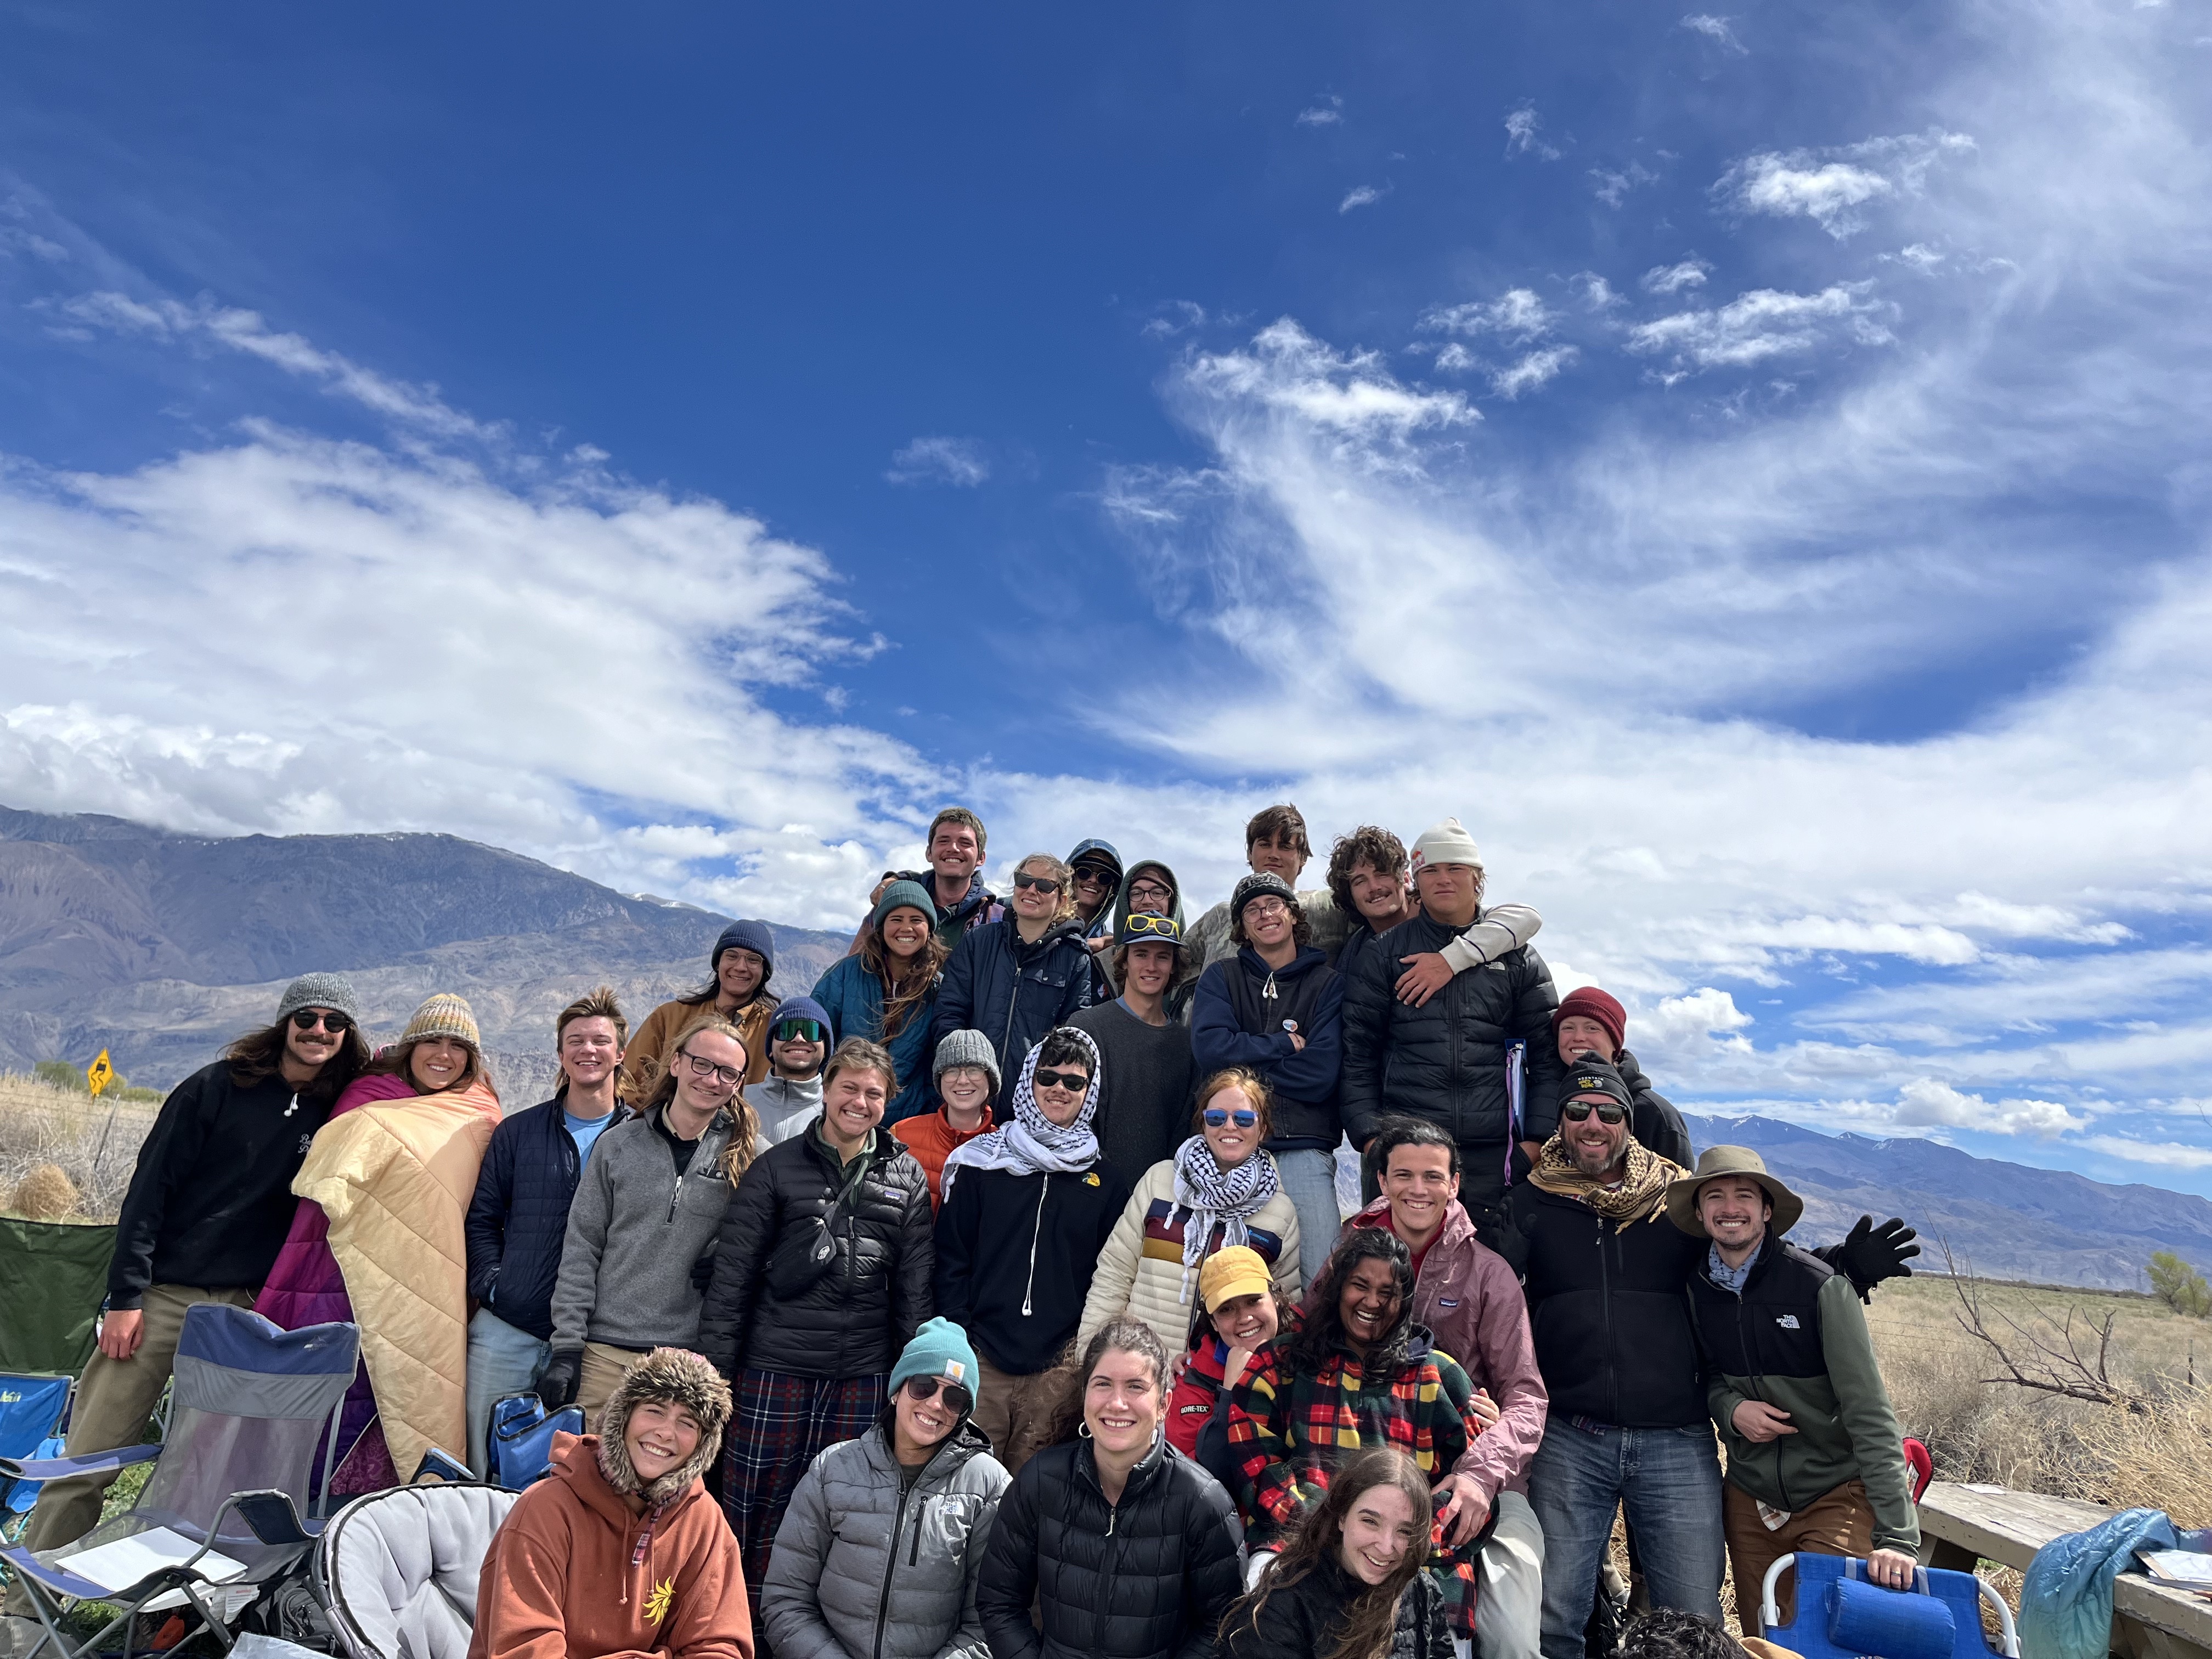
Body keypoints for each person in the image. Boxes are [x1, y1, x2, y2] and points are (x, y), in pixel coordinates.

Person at [1497, 1059, 1918, 1659]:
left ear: (1628, 1121)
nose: (1594, 1122)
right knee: (1555, 1614)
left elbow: (1753, 1255)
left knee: (1695, 1618)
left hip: (1675, 1439)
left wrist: (1840, 1266)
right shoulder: (1531, 1205)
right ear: (1560, 1122)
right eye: (1578, 1111)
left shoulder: (1671, 1209)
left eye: (1609, 1111)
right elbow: (1489, 1289)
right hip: (1573, 1436)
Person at [4, 974, 367, 1587]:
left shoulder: (341, 1110)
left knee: (222, 1472)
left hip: (251, 1313)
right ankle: (31, 1606)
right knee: (88, 1459)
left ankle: (181, 1608)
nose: (320, 1032)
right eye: (309, 1018)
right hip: (163, 1300)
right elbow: (148, 1195)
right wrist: (126, 1298)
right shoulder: (214, 1089)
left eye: (336, 1024)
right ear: (285, 1023)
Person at [698, 1037, 936, 1624]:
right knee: (752, 1506)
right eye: (849, 1088)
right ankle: (737, 1625)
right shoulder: (775, 1169)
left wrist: (910, 1387)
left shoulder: (905, 1177)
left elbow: (913, 1292)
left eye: (873, 1093)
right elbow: (732, 1283)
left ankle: (811, 1630)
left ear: (889, 1102)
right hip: (774, 1369)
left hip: (861, 1375)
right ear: (826, 1090)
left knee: (839, 1514)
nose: (860, 1101)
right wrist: (715, 1384)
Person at [257, 992, 503, 1491]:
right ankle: (302, 1510)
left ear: (471, 1058)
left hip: (433, 1280)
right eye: (431, 1040)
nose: (443, 1055)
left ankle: (382, 1519)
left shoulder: (481, 1111)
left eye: (457, 1046)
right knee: (342, 1392)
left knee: (407, 1394)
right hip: (349, 1271)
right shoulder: (369, 1097)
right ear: (409, 1047)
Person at [1667, 1148, 1920, 1630]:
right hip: (1749, 1496)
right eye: (1715, 1196)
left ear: (1767, 1211)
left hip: (1835, 1493)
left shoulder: (1820, 1288)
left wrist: (1898, 1537)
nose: (1730, 1207)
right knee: (1762, 1633)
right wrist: (1732, 1409)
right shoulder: (1696, 1289)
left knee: (1822, 1633)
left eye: (1745, 1195)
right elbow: (1709, 1376)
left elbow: (1869, 1412)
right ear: (1700, 1213)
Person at [1336, 1120, 1548, 1659]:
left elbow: (1527, 1398)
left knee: (1512, 1640)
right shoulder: (1347, 1259)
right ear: (1381, 1180)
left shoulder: (1489, 1276)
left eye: (1433, 1176)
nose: (1418, 1189)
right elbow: (1311, 1343)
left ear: (1455, 1183)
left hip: (1477, 1474)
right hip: (1365, 1462)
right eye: (1403, 1174)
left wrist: (1481, 1474)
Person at [1224, 1230, 1489, 1641]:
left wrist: (1401, 1543)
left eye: (1388, 1292)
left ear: (1405, 1303)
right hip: (1297, 1549)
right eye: (1360, 1286)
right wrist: (1334, 1538)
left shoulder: (1439, 1376)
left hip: (1413, 1562)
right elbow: (1258, 1471)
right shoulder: (1279, 1364)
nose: (1372, 1302)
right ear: (1337, 1288)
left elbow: (1472, 1493)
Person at [1340, 819, 1564, 1244]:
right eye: (1430, 871)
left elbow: (1546, 1055)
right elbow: (1357, 1054)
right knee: (1396, 1283)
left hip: (1497, 1155)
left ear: (1478, 879)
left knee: (1491, 1283)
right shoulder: (1385, 954)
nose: (1443, 879)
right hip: (1405, 1152)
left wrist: (1533, 1143)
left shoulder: (1518, 959)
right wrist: (1371, 1140)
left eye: (1455, 868)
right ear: (1415, 882)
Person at [975, 1319, 1245, 1659]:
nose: (1117, 1403)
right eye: (1103, 1384)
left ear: (1164, 1404)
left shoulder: (1204, 1503)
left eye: (1135, 1387)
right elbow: (999, 1601)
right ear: (1085, 1393)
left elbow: (1222, 1627)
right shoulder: (1041, 1481)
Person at [468, 1346, 749, 1659]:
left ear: (702, 1445)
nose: (666, 1433)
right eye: (654, 1410)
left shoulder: (704, 1521)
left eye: (688, 1423)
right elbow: (522, 1649)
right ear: (623, 1417)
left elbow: (719, 1646)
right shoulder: (546, 1509)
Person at [542, 1013, 759, 1419]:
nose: (712, 1080)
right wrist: (567, 1348)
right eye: (702, 1064)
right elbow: (581, 1247)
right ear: (676, 1063)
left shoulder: (748, 1156)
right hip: (605, 1351)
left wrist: (733, 1258)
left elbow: (771, 1240)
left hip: (689, 1360)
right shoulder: (618, 1146)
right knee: (585, 1475)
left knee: (666, 1479)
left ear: (738, 1085)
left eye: (727, 1073)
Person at [934, 1029, 1130, 1474]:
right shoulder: (981, 1163)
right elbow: (950, 1258)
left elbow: (1111, 1275)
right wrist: (961, 1339)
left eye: (1075, 1082)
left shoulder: (1107, 1183)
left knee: (1033, 1496)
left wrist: (1079, 1356)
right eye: (1048, 1076)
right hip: (982, 1359)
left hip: (1057, 1373)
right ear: (1029, 1081)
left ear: (1090, 1091)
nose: (1060, 1088)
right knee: (963, 1486)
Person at [760, 1319, 1011, 1659]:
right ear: (896, 1391)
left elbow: (988, 1621)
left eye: (955, 1397)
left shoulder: (990, 1487)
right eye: (923, 1386)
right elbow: (785, 1598)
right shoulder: (831, 1469)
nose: (937, 1404)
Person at [464, 986, 633, 1476]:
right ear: (560, 1054)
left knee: (575, 1472)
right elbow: (483, 1219)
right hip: (509, 1329)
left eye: (600, 1041)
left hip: (595, 1344)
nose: (588, 1050)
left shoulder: (639, 1138)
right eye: (575, 1040)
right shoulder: (517, 1133)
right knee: (484, 1462)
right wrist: (496, 1284)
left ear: (620, 1052)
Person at [1079, 1068, 1302, 1358]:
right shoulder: (1160, 1181)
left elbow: (1284, 1308)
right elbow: (1115, 1275)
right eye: (1217, 1118)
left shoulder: (1279, 1211)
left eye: (1244, 1118)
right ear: (1203, 1124)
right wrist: (1090, 1357)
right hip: (1141, 1371)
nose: (1230, 1127)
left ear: (1262, 1130)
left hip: (1219, 1381)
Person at [1191, 873, 1345, 1289]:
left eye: (1273, 905)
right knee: (1231, 1282)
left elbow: (1320, 1075)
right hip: (1229, 1152)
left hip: (1303, 1149)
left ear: (1293, 914)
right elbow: (1210, 1052)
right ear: (1242, 928)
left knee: (1321, 1281)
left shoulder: (1327, 984)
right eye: (1252, 910)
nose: (1265, 915)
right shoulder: (1222, 978)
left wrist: (1240, 1073)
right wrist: (1281, 1044)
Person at [1218, 1448, 1452, 1659]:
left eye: (1404, 1531)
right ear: (1341, 1516)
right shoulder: (1281, 1606)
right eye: (1370, 1521)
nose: (1386, 1546)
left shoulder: (1422, 1590)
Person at [930, 852, 1095, 1115]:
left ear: (1062, 899)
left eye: (1044, 886)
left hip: (1032, 1109)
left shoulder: (1075, 958)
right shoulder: (978, 943)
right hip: (968, 1102)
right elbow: (949, 1013)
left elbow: (1071, 1039)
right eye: (1023, 881)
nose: (1031, 890)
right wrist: (963, 1072)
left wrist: (1044, 1089)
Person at [1324, 826, 1542, 1007]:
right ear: (1350, 894)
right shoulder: (1358, 953)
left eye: (1383, 874)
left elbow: (1526, 918)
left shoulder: (1451, 917)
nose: (1374, 887)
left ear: (1407, 877)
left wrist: (1450, 959)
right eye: (1360, 881)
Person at [1070, 911, 1196, 1187]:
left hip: (1159, 1198)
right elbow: (1072, 1122)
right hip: (1091, 1192)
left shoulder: (1186, 1045)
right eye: (1141, 954)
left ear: (1174, 966)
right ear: (1123, 960)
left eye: (1163, 956)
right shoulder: (1086, 1027)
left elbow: (1184, 1132)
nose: (1151, 966)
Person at [815, 881, 947, 1125]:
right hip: (846, 1114)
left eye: (916, 919)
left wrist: (925, 1109)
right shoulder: (846, 974)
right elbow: (818, 1039)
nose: (906, 928)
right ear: (881, 926)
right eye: (896, 919)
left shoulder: (939, 988)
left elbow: (939, 1058)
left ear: (929, 928)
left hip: (907, 1122)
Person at [625, 919, 780, 1103]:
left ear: (765, 971)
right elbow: (629, 1081)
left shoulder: (775, 1031)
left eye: (753, 959)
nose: (740, 967)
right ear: (718, 964)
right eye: (732, 956)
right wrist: (662, 1121)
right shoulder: (669, 1017)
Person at [1185, 805, 1348, 972]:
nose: (1273, 854)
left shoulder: (1330, 906)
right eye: (1265, 844)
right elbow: (1168, 961)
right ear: (1250, 853)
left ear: (1303, 857)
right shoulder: (1219, 916)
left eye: (1285, 847)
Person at [1166, 1246, 1287, 1461]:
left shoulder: (1313, 1349)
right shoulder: (1191, 1380)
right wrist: (1229, 1393)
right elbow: (1193, 1472)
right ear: (1213, 1322)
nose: (1244, 1318)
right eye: (1226, 1309)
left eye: (1253, 1300)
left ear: (1275, 1297)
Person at [1551, 986, 1693, 1168]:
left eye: (1592, 1028)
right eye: (1568, 1028)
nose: (1578, 1037)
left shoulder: (1656, 1114)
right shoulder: (1540, 1099)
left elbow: (1680, 1189)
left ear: (1614, 1043)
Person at [856, 806, 1004, 952]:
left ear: (981, 858)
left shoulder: (998, 920)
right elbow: (852, 969)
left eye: (965, 843)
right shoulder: (890, 903)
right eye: (943, 841)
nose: (953, 848)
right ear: (929, 853)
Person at [894, 1029, 1000, 1207]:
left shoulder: (1005, 1149)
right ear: (939, 1079)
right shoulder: (901, 1136)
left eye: (974, 1070)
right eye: (951, 1071)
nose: (963, 1080)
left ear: (991, 1080)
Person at [1102, 857, 1205, 1020]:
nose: (1147, 901)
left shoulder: (1197, 968)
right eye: (1136, 893)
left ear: (1172, 902)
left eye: (1157, 893)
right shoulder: (1099, 962)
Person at [749, 994, 831, 1144]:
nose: (799, 1038)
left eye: (811, 1030)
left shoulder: (835, 1112)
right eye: (786, 1030)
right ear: (771, 1048)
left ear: (826, 1049)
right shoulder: (738, 1101)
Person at [1068, 838, 1125, 945]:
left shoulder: (1113, 951)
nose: (1093, 880)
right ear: (1070, 876)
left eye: (1104, 878)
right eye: (1084, 872)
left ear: (1111, 890)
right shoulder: (1038, 929)